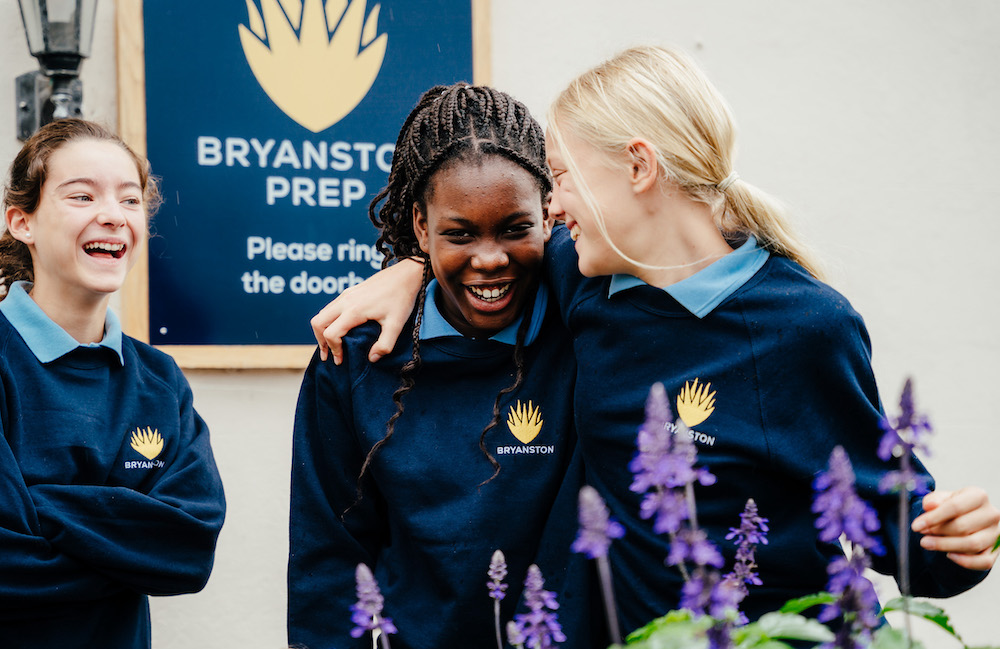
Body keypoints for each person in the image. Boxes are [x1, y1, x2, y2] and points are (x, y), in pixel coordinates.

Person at [309, 46, 1000, 636]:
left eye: (561, 176)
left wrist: (960, 540)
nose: (552, 206)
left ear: (638, 168)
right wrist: (411, 267)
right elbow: (485, 246)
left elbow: (895, 523)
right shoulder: (589, 286)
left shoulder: (803, 327)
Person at [287, 84, 590, 649]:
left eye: (515, 229)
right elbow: (327, 560)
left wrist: (417, 265)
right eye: (459, 233)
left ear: (550, 216)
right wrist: (416, 265)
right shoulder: (355, 359)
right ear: (421, 228)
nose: (490, 258)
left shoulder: (585, 324)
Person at [0, 119, 226, 648]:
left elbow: (188, 549)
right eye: (82, 196)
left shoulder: (160, 380)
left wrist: (38, 506)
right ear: (22, 222)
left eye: (130, 200)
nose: (113, 216)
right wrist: (128, 545)